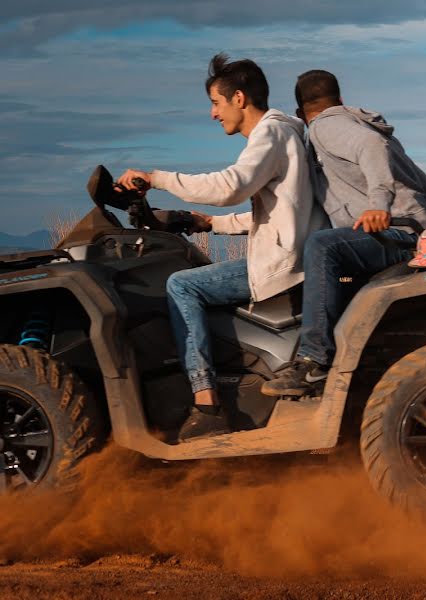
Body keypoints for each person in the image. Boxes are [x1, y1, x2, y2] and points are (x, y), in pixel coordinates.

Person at [117, 53, 328, 440]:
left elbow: (232, 185)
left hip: (282, 261)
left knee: (182, 285)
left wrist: (155, 178)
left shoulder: (270, 133)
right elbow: (278, 213)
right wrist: (208, 223)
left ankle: (206, 403)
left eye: (216, 103)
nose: (213, 114)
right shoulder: (289, 132)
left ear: (240, 98)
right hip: (292, 250)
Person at [261, 69, 426, 398]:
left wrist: (379, 205)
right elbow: (424, 185)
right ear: (340, 98)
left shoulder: (327, 125)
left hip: (398, 235)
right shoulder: (366, 126)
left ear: (301, 113)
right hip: (415, 230)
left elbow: (369, 147)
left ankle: (314, 359)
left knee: (322, 247)